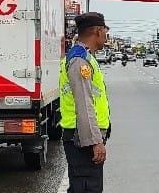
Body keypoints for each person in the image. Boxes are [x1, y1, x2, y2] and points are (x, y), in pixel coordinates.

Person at [59, 12, 112, 193]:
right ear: (97, 31)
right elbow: (84, 104)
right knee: (87, 189)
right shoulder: (79, 60)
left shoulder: (84, 57)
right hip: (82, 139)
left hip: (81, 136)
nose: (106, 35)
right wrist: (95, 141)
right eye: (105, 31)